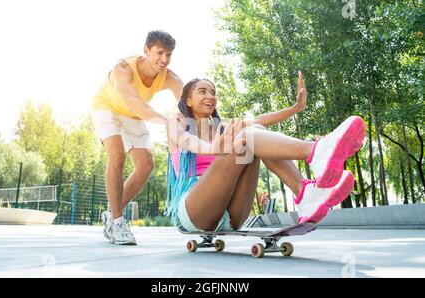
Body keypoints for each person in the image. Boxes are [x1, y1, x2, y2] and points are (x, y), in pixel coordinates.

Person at [165, 72, 366, 232]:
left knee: (254, 132)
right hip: (195, 210)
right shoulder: (177, 123)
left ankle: (304, 192)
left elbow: (259, 120)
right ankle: (315, 151)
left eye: (213, 92)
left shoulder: (224, 129)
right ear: (188, 100)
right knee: (245, 138)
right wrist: (213, 149)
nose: (210, 96)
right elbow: (186, 141)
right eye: (202, 91)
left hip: (231, 215)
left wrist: (296, 108)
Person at [91, 30, 184, 244]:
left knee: (146, 165)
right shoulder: (123, 68)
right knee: (117, 156)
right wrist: (166, 121)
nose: (164, 60)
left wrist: (192, 121)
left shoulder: (169, 76)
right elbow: (133, 102)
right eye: (159, 53)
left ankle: (111, 212)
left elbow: (186, 99)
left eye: (168, 54)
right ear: (146, 50)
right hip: (107, 107)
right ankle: (117, 222)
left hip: (133, 115)